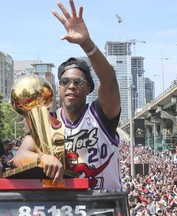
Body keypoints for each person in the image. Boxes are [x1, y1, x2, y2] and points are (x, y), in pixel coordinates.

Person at [13, 0, 121, 191]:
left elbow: (110, 80)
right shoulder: (48, 122)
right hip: (65, 205)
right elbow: (20, 155)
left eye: (78, 82)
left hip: (103, 205)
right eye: (65, 82)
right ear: (59, 88)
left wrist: (86, 43)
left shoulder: (101, 115)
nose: (71, 86)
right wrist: (42, 158)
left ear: (88, 88)